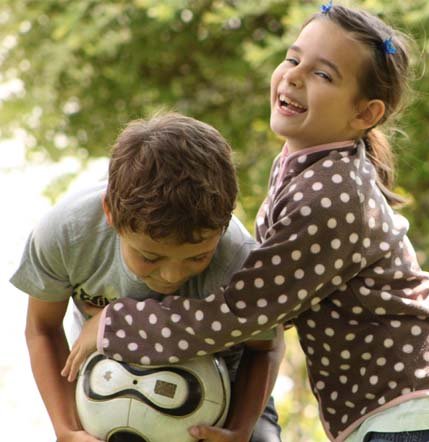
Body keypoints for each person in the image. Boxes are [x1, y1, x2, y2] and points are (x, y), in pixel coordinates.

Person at [63, 3, 429, 441]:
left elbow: (243, 310)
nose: (295, 75)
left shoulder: (329, 196)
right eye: (292, 58)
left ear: (365, 114)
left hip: (411, 405)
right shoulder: (306, 166)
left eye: (323, 74)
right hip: (403, 404)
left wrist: (119, 325)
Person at [10, 113, 284, 442]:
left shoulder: (238, 259)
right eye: (149, 257)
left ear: (223, 224)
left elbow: (264, 346)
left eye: (198, 257)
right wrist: (66, 429)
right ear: (110, 213)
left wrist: (240, 429)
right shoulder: (67, 234)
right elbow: (42, 328)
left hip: (229, 392)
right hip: (104, 391)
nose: (172, 275)